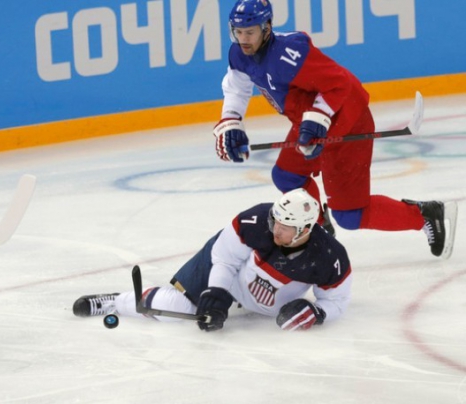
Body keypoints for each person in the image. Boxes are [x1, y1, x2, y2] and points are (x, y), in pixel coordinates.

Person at [212, 0, 457, 258]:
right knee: (286, 175)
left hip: (347, 120)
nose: (243, 39)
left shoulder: (290, 54)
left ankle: (426, 216)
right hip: (310, 121)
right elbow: (237, 87)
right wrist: (232, 122)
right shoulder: (239, 53)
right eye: (237, 32)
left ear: (267, 27)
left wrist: (317, 120)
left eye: (249, 32)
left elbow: (338, 84)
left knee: (350, 216)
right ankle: (317, 226)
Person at [73, 188, 351, 332]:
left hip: (262, 294)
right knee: (178, 308)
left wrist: (317, 314)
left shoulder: (329, 257)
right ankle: (115, 302)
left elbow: (336, 300)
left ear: (304, 229)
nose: (275, 228)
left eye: (284, 227)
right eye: (274, 221)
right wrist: (216, 295)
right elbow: (225, 260)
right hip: (231, 269)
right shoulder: (255, 221)